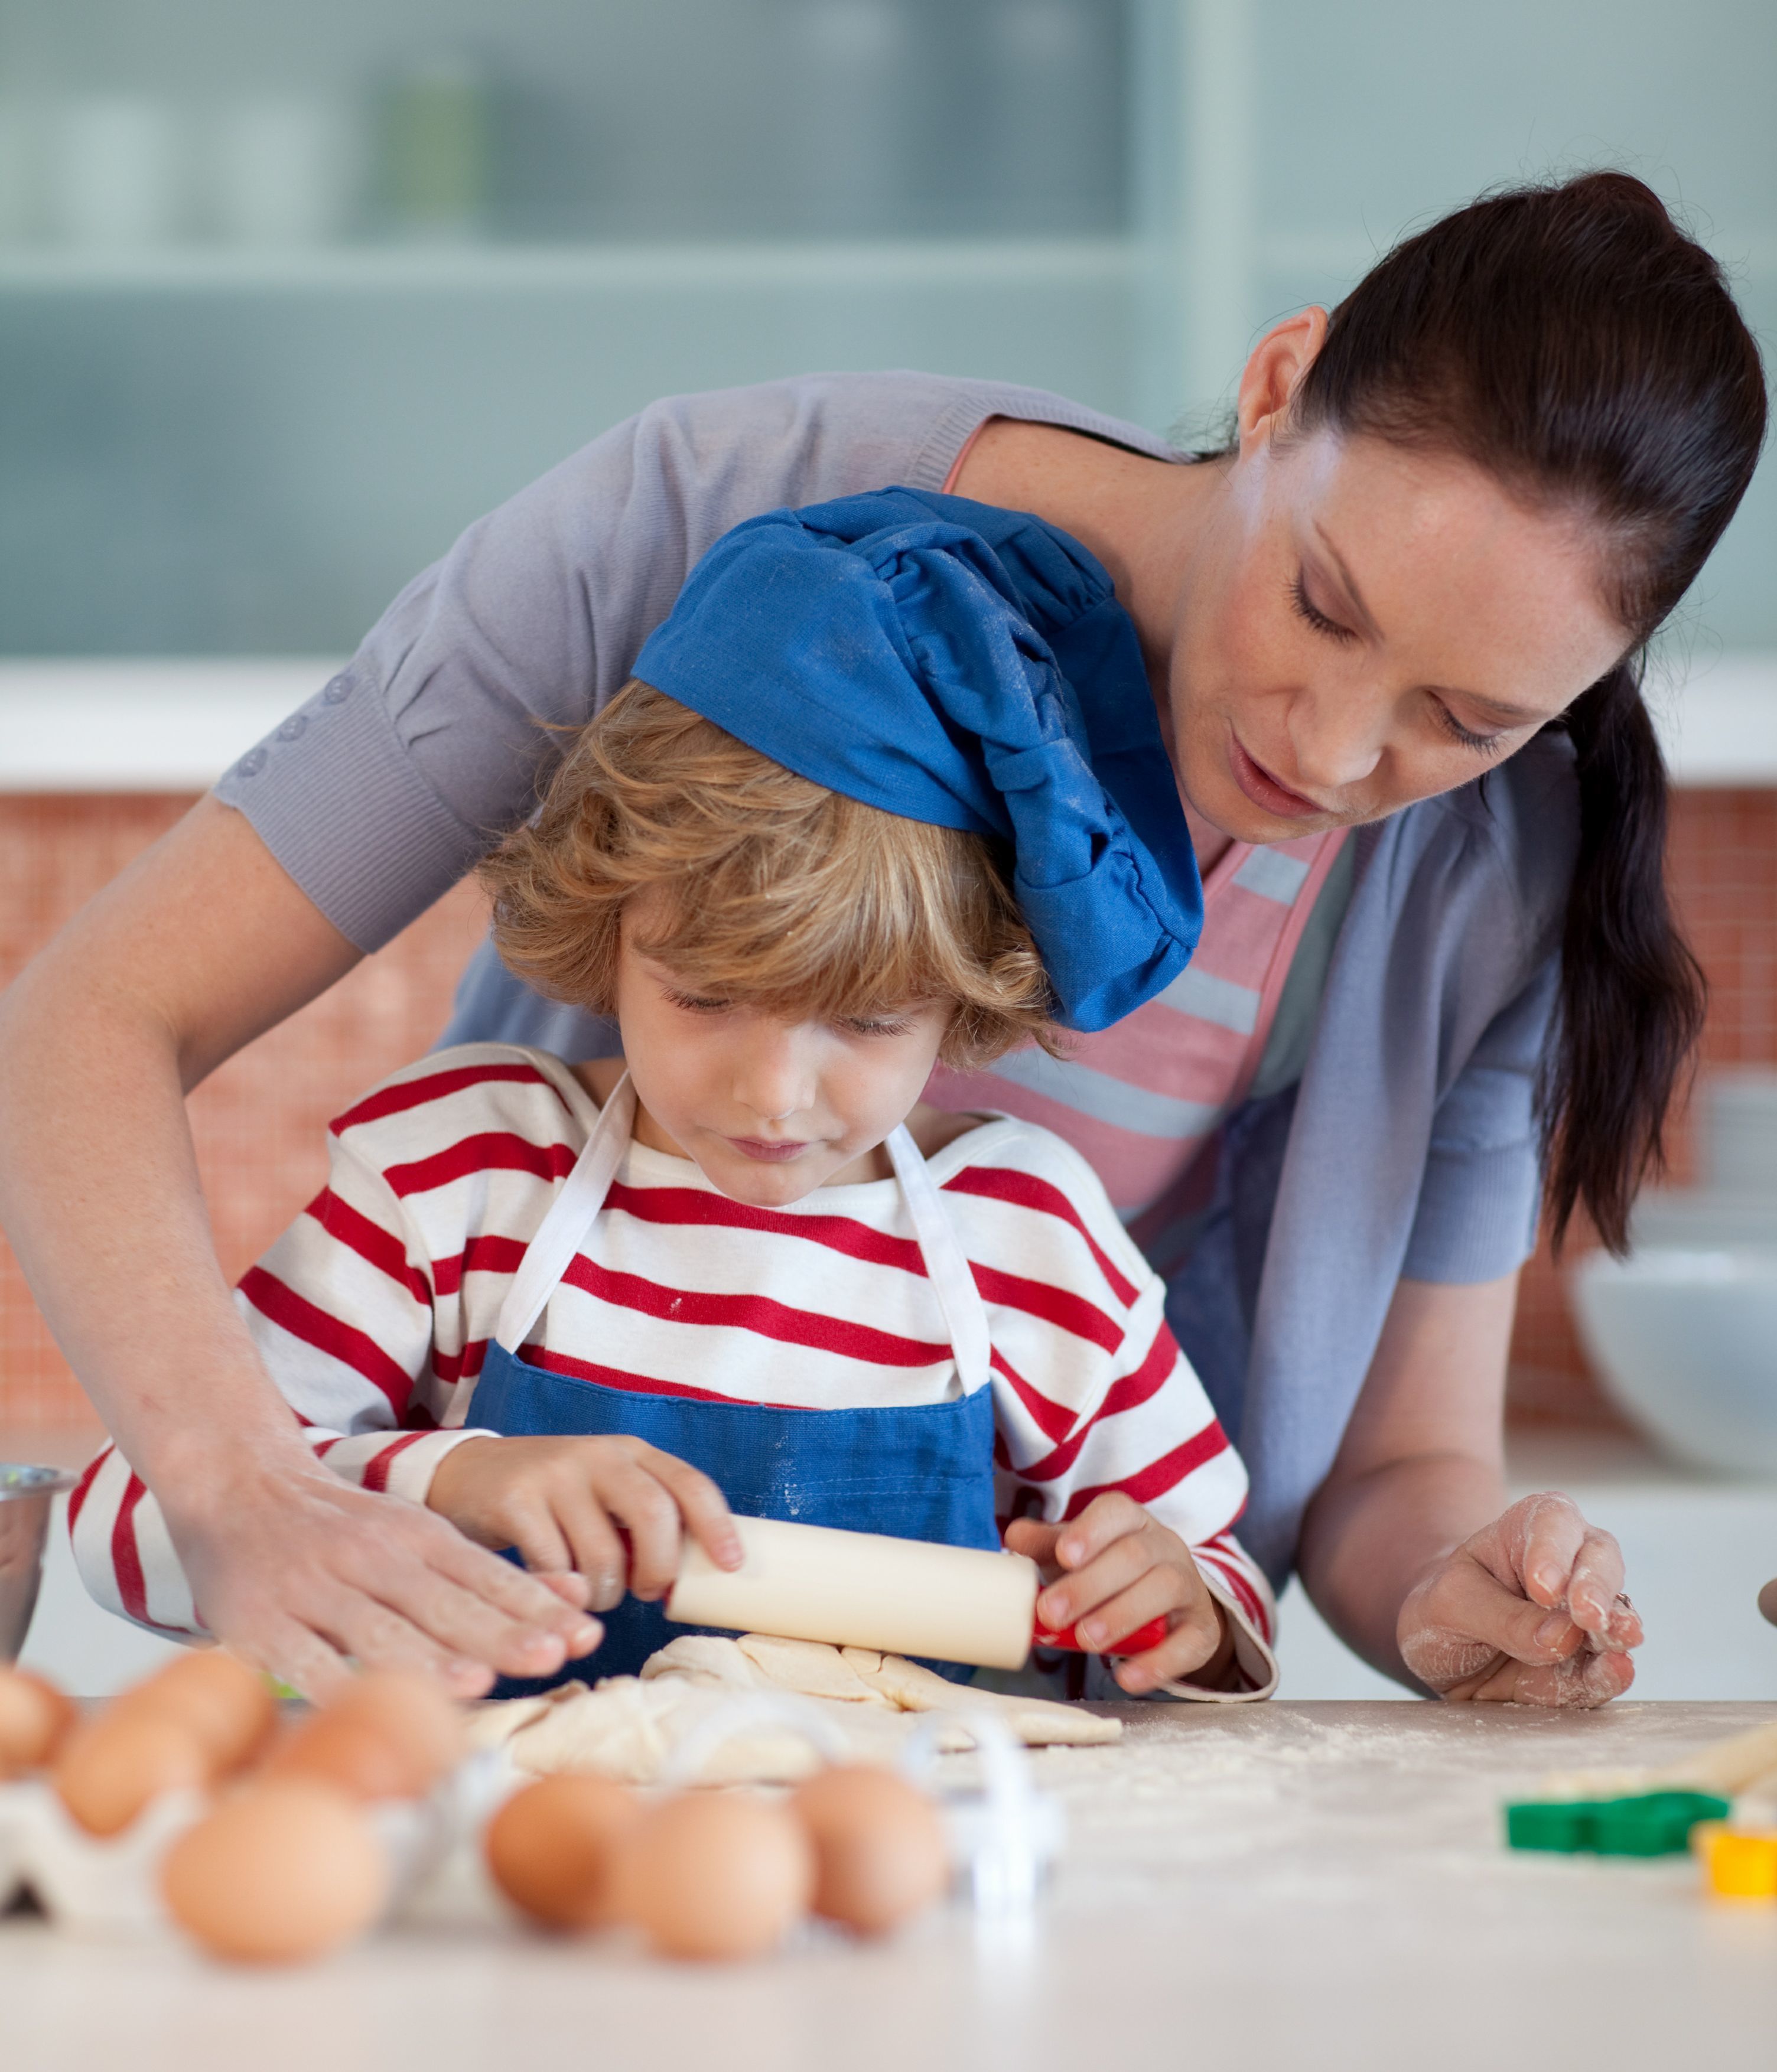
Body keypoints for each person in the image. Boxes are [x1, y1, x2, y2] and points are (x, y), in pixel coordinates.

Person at [0, 171, 1763, 1703]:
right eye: (1320, 602)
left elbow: (1396, 1469)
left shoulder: (1494, 864)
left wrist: (1463, 1594)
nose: (1326, 753)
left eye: (1465, 714)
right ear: (1280, 379)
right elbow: (93, 1014)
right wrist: (251, 1486)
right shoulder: (701, 530)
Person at [71, 498, 1280, 1702]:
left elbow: (1220, 1588)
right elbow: (128, 1524)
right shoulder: (460, 1180)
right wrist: (457, 1479)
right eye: (705, 997)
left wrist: (1171, 1598)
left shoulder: (1026, 1237)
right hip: (491, 1868)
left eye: (866, 1019)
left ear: (967, 994)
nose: (772, 1091)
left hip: (923, 1867)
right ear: (608, 931)